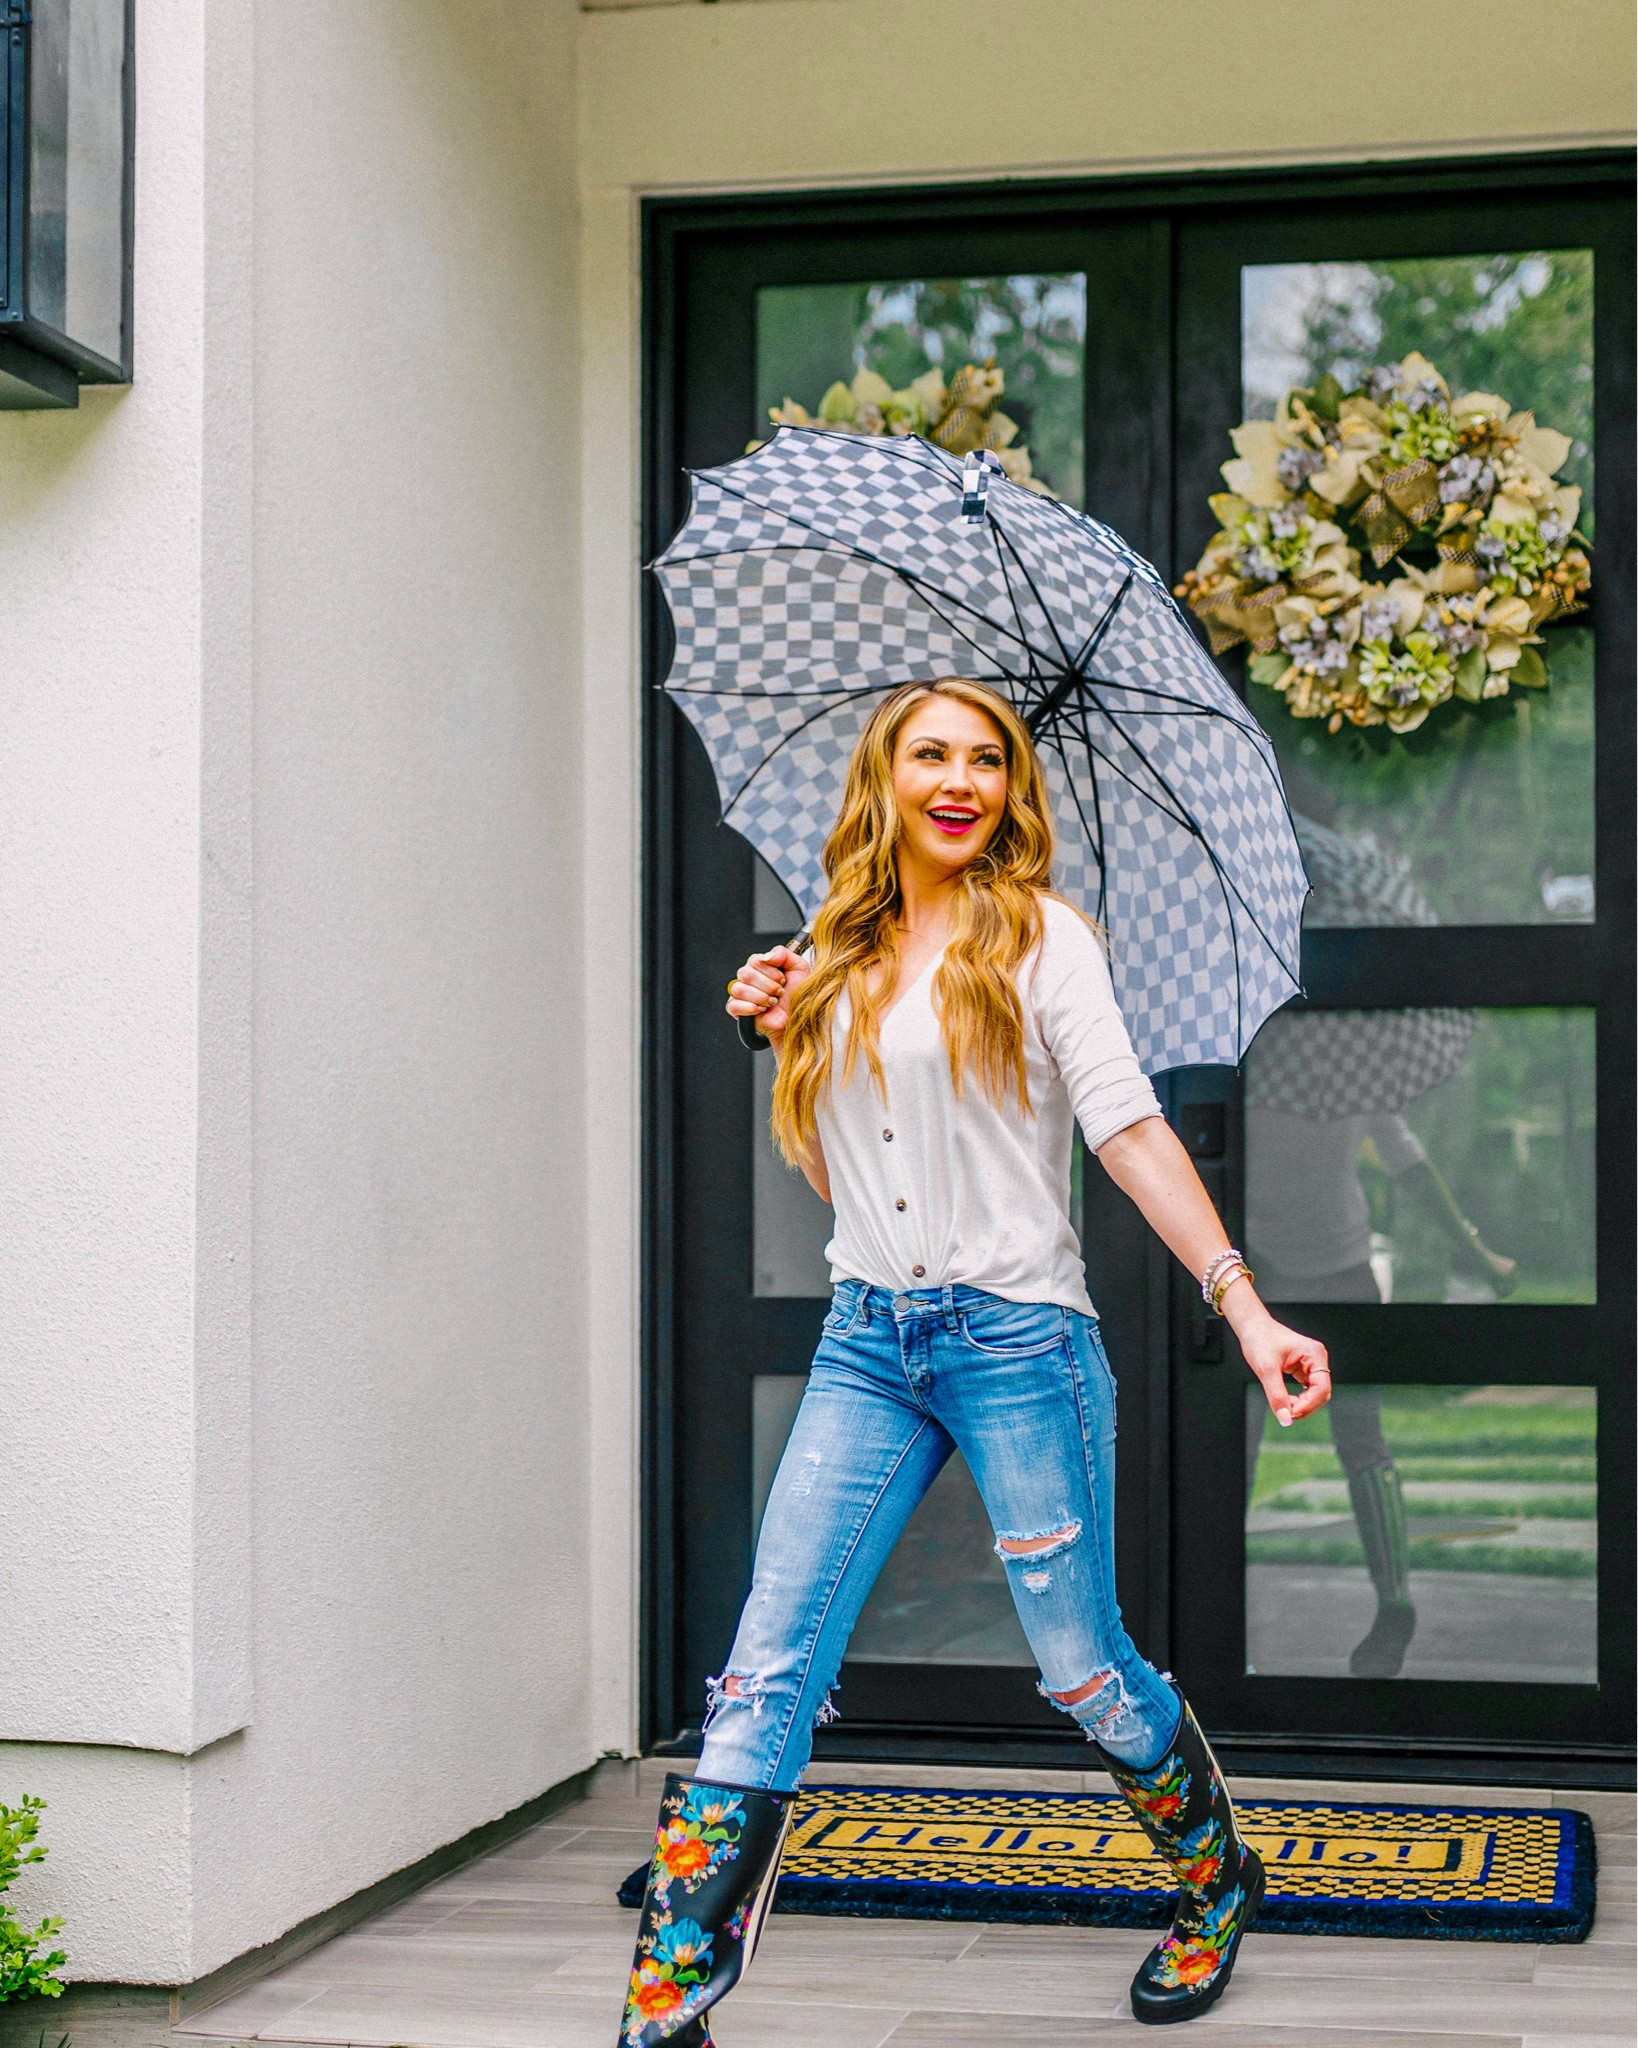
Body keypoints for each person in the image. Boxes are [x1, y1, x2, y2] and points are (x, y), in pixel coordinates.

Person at [617, 679, 1330, 2043]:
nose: (959, 779)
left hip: (1017, 1343)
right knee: (768, 1665)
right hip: (867, 1340)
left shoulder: (1042, 938)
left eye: (986, 759)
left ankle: (1212, 1882)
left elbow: (1123, 1128)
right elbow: (842, 1173)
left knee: (1081, 1667)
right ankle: (666, 2009)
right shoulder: (835, 943)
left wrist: (1241, 1305)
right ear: (881, 780)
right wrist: (786, 1030)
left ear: (1011, 789)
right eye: (929, 754)